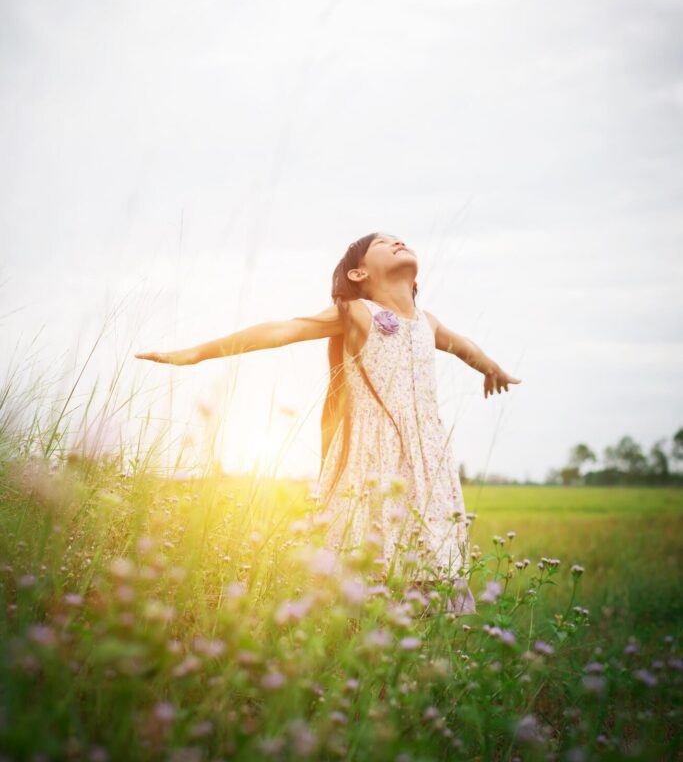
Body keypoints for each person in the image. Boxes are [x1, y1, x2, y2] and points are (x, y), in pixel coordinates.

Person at [135, 231, 522, 614]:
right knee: (374, 548)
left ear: (415, 279)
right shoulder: (356, 312)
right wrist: (198, 353)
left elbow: (465, 347)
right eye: (383, 243)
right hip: (375, 456)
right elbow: (283, 329)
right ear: (358, 275)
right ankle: (365, 632)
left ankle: (425, 640)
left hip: (427, 460)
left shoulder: (428, 323)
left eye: (400, 239)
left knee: (428, 548)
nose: (398, 242)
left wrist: (493, 369)